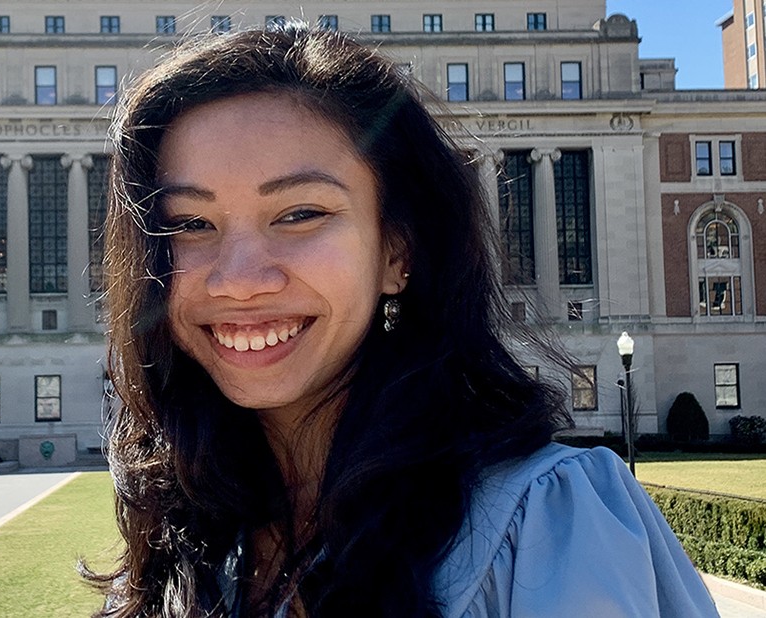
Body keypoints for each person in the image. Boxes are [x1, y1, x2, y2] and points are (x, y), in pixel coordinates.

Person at [89, 23, 718, 617]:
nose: (239, 279)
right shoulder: (188, 527)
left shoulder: (547, 523)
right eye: (190, 224)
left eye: (301, 213)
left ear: (397, 252)